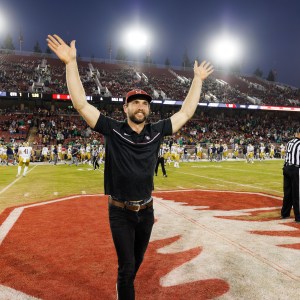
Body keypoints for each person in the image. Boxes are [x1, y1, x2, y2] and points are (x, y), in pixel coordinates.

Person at [47, 34, 213, 300]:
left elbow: (185, 113)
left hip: (146, 210)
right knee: (126, 268)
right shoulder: (113, 129)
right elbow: (80, 104)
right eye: (135, 102)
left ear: (149, 109)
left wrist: (197, 80)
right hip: (120, 212)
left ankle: (124, 284)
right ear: (125, 107)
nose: (141, 106)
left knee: (135, 263)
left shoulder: (157, 131)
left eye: (145, 103)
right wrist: (70, 64)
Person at [281, 131, 300, 223]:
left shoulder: (290, 142)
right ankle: (298, 217)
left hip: (286, 168)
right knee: (297, 193)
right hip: (295, 169)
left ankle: (285, 213)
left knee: (287, 192)